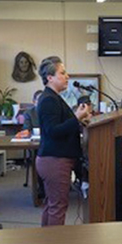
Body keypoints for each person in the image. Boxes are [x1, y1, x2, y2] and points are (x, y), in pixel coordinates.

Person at [36, 56, 92, 227]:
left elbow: (60, 125)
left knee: (52, 205)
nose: (67, 76)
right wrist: (77, 118)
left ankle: (47, 243)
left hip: (55, 158)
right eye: (63, 73)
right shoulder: (48, 99)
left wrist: (79, 120)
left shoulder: (53, 97)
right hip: (55, 160)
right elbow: (53, 131)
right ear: (50, 77)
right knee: (58, 207)